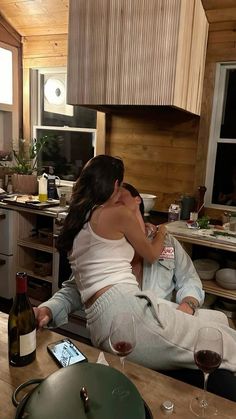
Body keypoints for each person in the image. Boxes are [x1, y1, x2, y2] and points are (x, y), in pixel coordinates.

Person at [35, 155, 236, 376]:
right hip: (130, 319)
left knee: (219, 320)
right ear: (112, 187)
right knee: (222, 343)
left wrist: (187, 305)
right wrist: (50, 308)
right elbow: (75, 289)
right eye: (116, 197)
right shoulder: (109, 241)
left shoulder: (88, 227)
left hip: (122, 319)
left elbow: (189, 279)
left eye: (123, 200)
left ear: (138, 203)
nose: (117, 204)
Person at [120, 183, 204, 315]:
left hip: (165, 322)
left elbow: (189, 279)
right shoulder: (107, 245)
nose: (116, 198)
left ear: (137, 200)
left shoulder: (167, 242)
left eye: (120, 193)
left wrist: (188, 304)